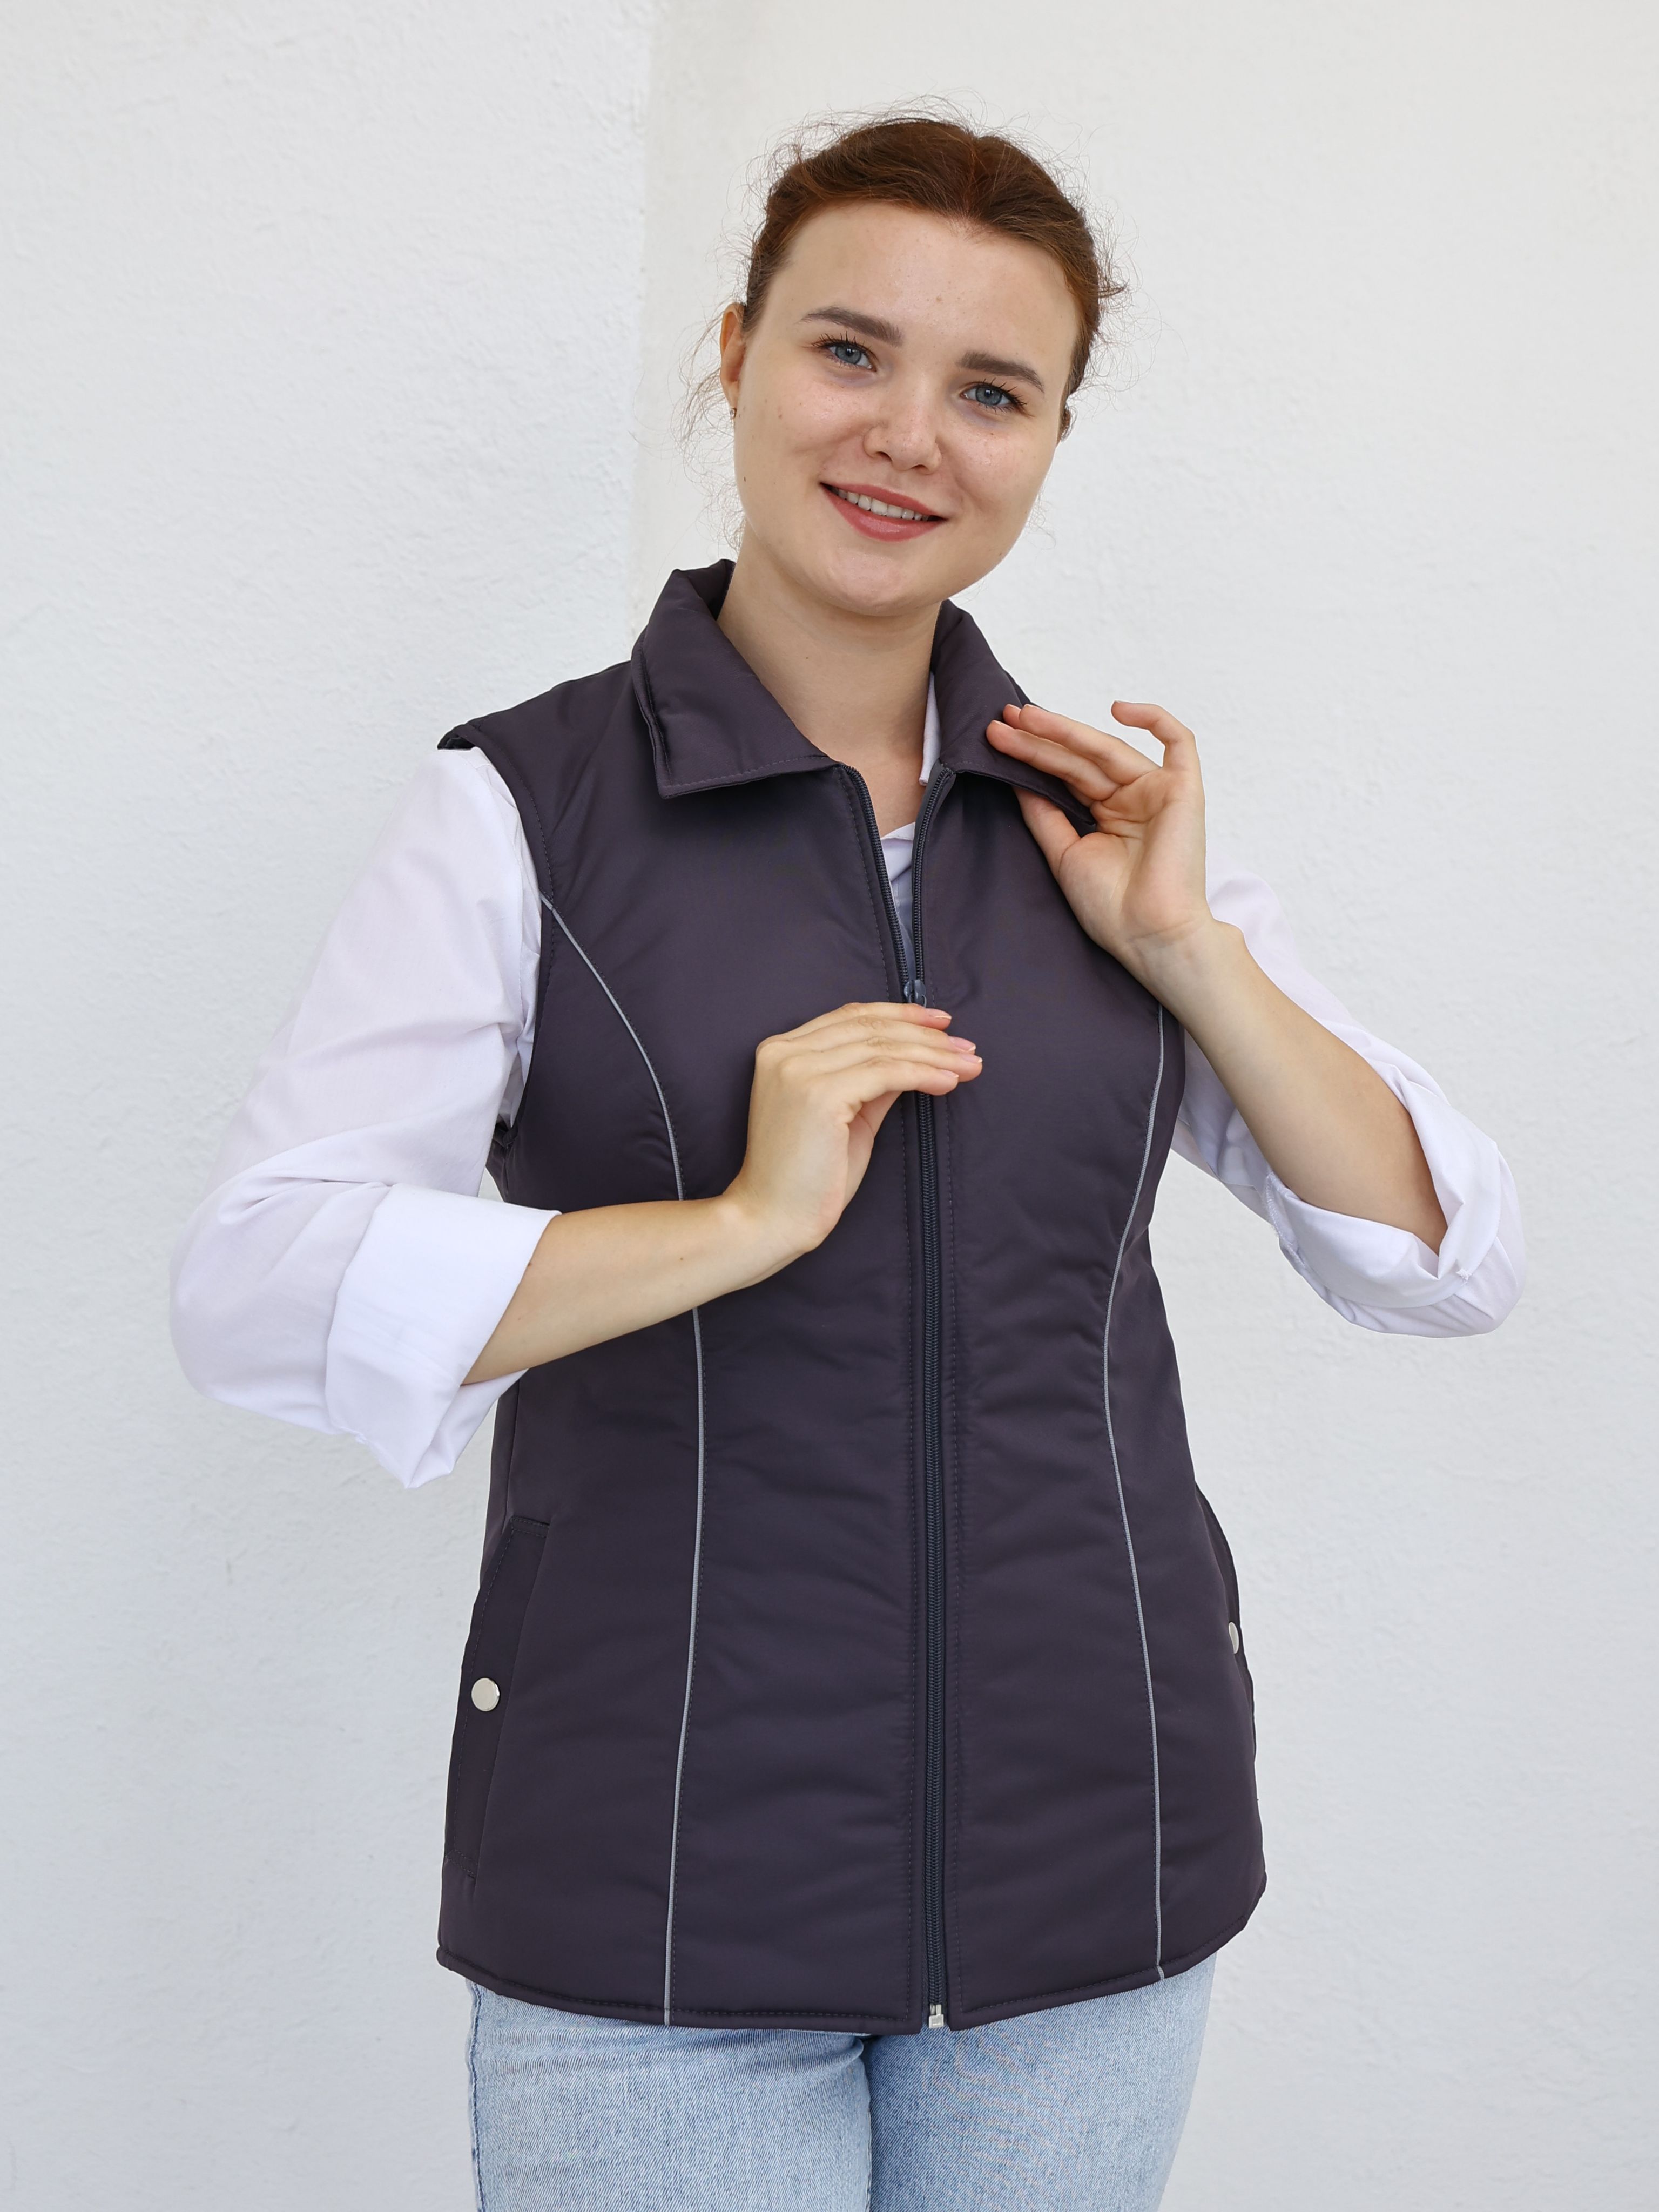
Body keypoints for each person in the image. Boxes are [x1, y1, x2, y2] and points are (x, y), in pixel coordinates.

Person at [170, 112, 1523, 2212]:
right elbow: (258, 1283)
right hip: (657, 1885)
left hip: (1098, 1866)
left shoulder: (1103, 830)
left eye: (992, 390)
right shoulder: (522, 811)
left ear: (1050, 439)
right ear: (737, 355)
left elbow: (1435, 1254)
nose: (907, 437)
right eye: (849, 352)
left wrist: (1189, 952)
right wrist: (739, 1220)